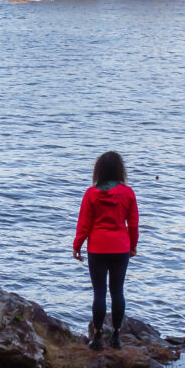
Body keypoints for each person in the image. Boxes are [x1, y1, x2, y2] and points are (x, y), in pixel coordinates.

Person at [71, 150, 138, 351]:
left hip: (98, 248)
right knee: (117, 292)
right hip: (120, 248)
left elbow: (84, 224)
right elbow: (133, 224)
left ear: (99, 170)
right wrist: (133, 245)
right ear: (120, 170)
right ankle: (116, 336)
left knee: (99, 293)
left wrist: (77, 245)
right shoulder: (128, 193)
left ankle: (98, 337)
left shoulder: (91, 194)